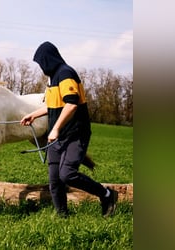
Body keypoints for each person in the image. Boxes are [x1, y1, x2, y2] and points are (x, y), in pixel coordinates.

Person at [20, 41, 118, 218]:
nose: (41, 67)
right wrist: (34, 115)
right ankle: (62, 217)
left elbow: (71, 104)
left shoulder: (65, 74)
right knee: (55, 180)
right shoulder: (51, 80)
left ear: (48, 59)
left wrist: (55, 128)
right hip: (59, 136)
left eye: (41, 62)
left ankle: (107, 195)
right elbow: (53, 106)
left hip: (75, 133)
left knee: (67, 175)